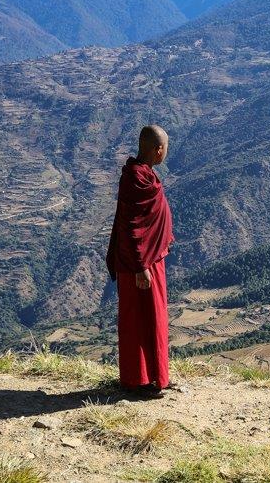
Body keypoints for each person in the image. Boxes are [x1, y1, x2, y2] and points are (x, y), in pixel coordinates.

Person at [106, 124, 174, 398]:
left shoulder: (143, 175)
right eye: (165, 148)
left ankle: (156, 376)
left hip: (149, 259)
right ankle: (137, 381)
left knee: (154, 319)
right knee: (138, 321)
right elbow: (132, 226)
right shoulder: (135, 178)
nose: (166, 153)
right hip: (139, 264)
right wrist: (140, 266)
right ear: (158, 150)